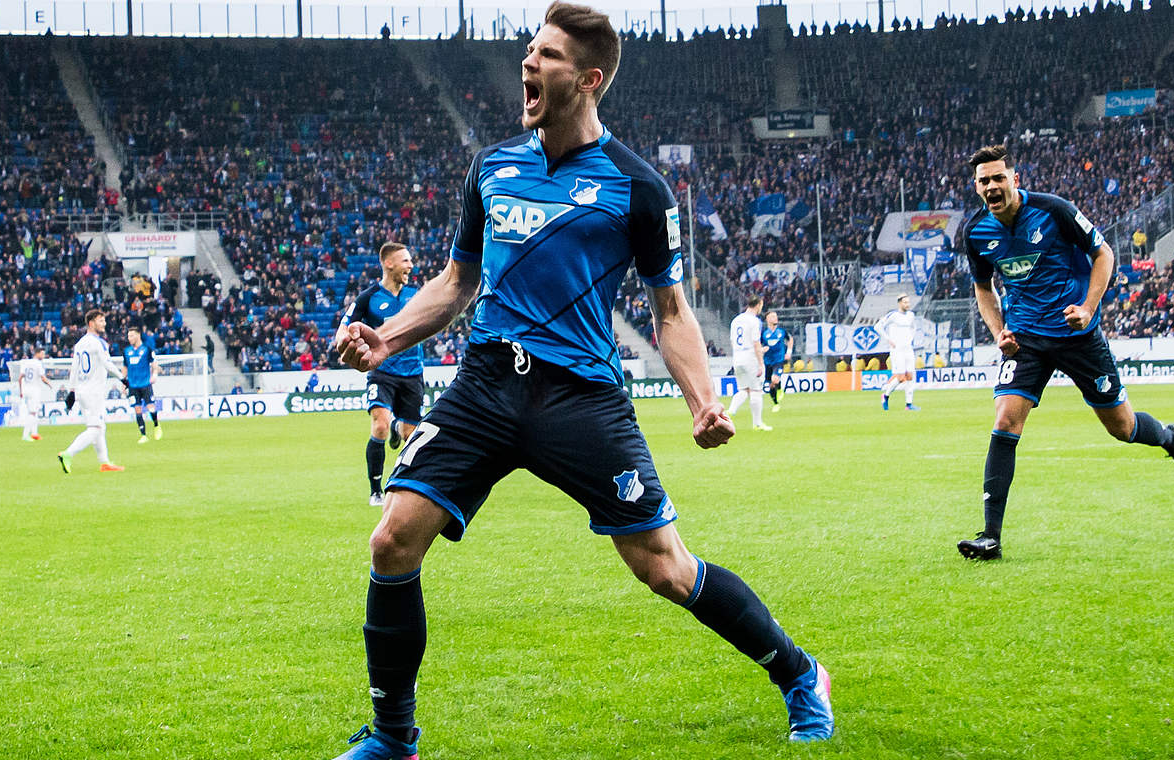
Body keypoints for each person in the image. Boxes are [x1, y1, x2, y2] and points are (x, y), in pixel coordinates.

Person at [329, 5, 833, 757]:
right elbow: (456, 281)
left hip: (580, 397)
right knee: (393, 541)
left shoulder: (637, 187)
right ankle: (394, 738)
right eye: (529, 51)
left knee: (663, 567)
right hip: (487, 382)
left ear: (588, 79)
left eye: (547, 56)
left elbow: (672, 309)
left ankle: (800, 674)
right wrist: (388, 334)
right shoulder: (493, 165)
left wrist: (702, 402)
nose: (528, 65)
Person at [955, 144, 1174, 561]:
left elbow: (1103, 253)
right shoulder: (976, 232)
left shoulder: (1055, 211)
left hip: (1077, 334)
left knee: (1122, 428)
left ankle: (1169, 438)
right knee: (1004, 420)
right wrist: (999, 333)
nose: (992, 186)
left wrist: (1088, 307)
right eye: (984, 181)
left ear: (1015, 179)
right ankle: (990, 536)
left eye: (999, 177)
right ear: (976, 187)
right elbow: (983, 288)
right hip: (1027, 340)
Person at [337, 242, 426, 508]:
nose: (411, 265)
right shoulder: (368, 297)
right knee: (379, 425)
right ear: (389, 263)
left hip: (413, 373)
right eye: (406, 261)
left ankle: (400, 432)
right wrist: (345, 344)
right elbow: (343, 327)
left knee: (411, 435)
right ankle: (376, 490)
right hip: (383, 372)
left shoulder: (416, 294)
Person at [57, 310, 127, 473]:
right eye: (101, 321)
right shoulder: (99, 343)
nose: (104, 324)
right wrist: (123, 378)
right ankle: (68, 453)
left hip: (82, 390)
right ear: (91, 323)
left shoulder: (80, 343)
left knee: (99, 427)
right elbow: (107, 363)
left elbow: (74, 369)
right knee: (95, 429)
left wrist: (72, 391)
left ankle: (105, 463)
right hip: (94, 392)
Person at [727, 294, 772, 431]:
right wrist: (760, 363)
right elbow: (756, 343)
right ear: (758, 304)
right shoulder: (754, 321)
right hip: (750, 356)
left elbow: (732, 341)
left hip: (737, 357)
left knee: (743, 389)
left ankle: (729, 412)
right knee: (756, 390)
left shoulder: (736, 320)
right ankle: (757, 424)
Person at [875, 294, 919, 411]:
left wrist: (911, 338)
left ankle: (909, 405)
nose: (907, 304)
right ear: (900, 303)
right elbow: (878, 327)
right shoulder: (893, 315)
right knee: (900, 378)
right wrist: (888, 339)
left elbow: (914, 327)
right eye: (905, 302)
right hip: (897, 350)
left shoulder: (911, 315)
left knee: (910, 376)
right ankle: (885, 396)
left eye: (908, 302)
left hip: (908, 349)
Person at [124, 328, 162, 443]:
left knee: (151, 407)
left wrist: (155, 374)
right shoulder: (126, 351)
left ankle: (156, 425)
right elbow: (125, 367)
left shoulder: (147, 349)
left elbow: (154, 363)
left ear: (138, 335)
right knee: (137, 409)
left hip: (145, 384)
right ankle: (144, 435)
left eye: (131, 336)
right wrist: (123, 382)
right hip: (132, 385)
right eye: (128, 336)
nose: (129, 338)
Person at [15, 348, 52, 441]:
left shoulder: (26, 363)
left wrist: (21, 391)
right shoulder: (38, 364)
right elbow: (43, 378)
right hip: (34, 390)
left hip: (26, 389)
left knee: (33, 411)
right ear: (37, 354)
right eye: (42, 354)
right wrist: (50, 384)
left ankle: (34, 433)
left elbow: (20, 378)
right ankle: (25, 435)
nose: (43, 356)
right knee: (33, 413)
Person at [761, 309, 793, 412]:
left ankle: (779, 389)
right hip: (767, 361)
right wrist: (762, 350)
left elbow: (790, 339)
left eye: (776, 316)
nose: (776, 318)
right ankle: (776, 403)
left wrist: (789, 352)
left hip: (779, 360)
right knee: (771, 384)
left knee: (775, 379)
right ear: (767, 319)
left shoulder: (782, 331)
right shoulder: (764, 333)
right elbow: (758, 345)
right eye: (773, 317)